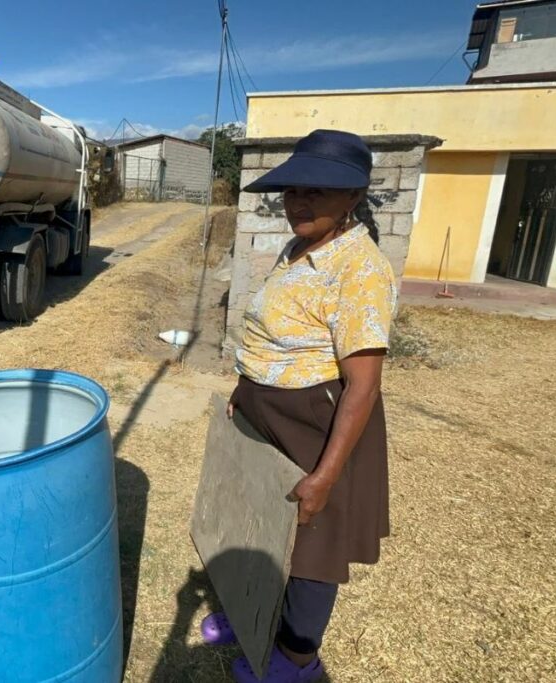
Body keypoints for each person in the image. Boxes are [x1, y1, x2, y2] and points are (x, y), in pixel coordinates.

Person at [203, 129, 397, 683]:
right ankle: (251, 612)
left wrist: (328, 472)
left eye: (319, 191)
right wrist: (246, 392)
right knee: (261, 520)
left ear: (354, 197)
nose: (300, 203)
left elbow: (363, 386)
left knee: (313, 543)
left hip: (318, 420)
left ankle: (296, 658)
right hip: (268, 413)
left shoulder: (360, 268)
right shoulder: (296, 250)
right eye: (292, 191)